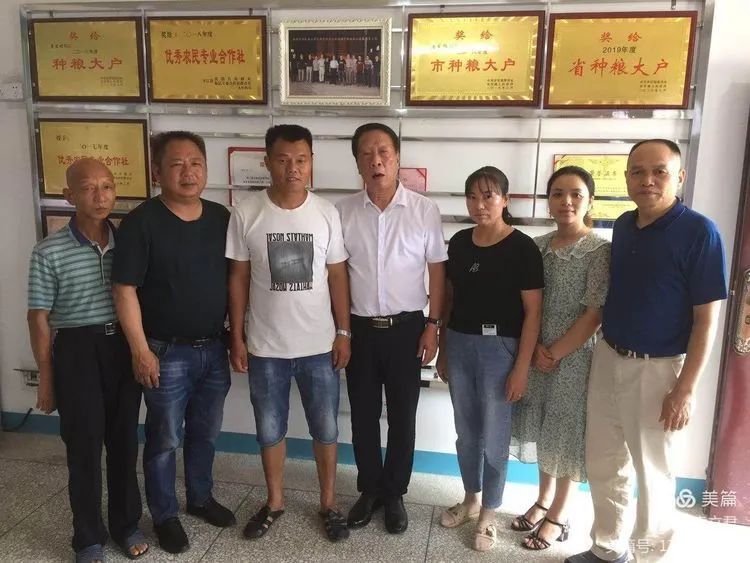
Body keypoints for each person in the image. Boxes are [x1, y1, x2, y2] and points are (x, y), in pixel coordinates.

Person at [566, 139, 727, 563]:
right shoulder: (623, 225)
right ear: (626, 178)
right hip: (608, 356)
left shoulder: (701, 233)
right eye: (637, 171)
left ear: (680, 177)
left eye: (659, 171)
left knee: (653, 474)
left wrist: (685, 389)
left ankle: (648, 557)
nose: (647, 180)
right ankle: (607, 547)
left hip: (658, 370)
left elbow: (707, 321)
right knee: (604, 462)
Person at [225, 125, 352, 543]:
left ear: (311, 162)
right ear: (267, 162)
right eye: (282, 160)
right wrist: (237, 336)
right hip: (265, 347)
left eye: (301, 160)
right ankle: (275, 501)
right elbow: (238, 277)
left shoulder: (326, 212)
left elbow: (338, 275)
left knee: (326, 429)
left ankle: (329, 503)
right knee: (269, 429)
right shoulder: (246, 213)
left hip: (319, 346)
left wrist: (344, 331)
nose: (292, 168)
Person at [112, 131, 235, 555]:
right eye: (177, 164)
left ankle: (200, 498)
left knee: (205, 432)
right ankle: (164, 515)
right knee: (164, 438)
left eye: (196, 163)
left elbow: (236, 280)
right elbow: (124, 289)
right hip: (165, 351)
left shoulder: (220, 217)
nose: (188, 172)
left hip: (213, 349)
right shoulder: (141, 222)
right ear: (157, 171)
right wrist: (140, 350)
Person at [27, 158, 148, 562]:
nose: (100, 196)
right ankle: (88, 537)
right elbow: (39, 318)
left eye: (107, 186)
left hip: (121, 347)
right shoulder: (49, 251)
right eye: (88, 188)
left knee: (124, 442)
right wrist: (46, 377)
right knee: (84, 447)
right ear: (69, 195)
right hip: (76, 351)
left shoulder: (127, 243)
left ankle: (126, 525)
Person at [337, 123, 447, 534]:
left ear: (397, 158)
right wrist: (342, 331)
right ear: (357, 163)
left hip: (408, 330)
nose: (376, 160)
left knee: (403, 416)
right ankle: (370, 489)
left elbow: (437, 272)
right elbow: (338, 276)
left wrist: (433, 326)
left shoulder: (423, 210)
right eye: (366, 153)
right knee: (363, 415)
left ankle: (395, 492)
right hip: (361, 330)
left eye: (383, 152)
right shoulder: (342, 211)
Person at [435, 166, 543, 552]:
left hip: (501, 350)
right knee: (466, 433)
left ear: (505, 200)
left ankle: (489, 513)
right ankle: (470, 499)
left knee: (495, 435)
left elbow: (533, 312)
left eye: (488, 196)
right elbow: (449, 300)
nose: (480, 205)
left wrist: (521, 368)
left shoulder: (523, 248)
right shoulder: (459, 243)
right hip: (459, 344)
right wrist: (443, 350)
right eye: (473, 197)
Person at [510, 166, 610, 551]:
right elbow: (525, 304)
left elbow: (594, 313)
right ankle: (542, 500)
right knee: (543, 428)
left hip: (574, 360)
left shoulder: (599, 250)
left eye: (576, 194)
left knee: (566, 434)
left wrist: (553, 352)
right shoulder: (535, 246)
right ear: (548, 201)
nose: (566, 201)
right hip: (535, 352)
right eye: (557, 194)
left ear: (589, 201)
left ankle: (559, 515)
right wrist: (535, 348)